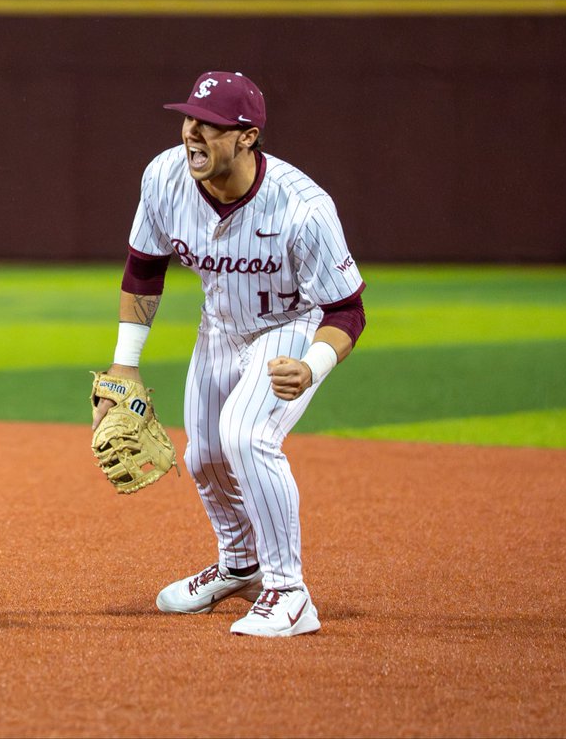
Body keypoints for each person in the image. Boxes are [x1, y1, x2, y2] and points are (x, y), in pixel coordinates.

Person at [92, 71, 366, 637]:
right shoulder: (165, 176)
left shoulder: (303, 208)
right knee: (206, 455)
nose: (192, 133)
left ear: (246, 136)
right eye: (189, 118)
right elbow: (144, 270)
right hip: (219, 328)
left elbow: (347, 310)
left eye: (209, 125)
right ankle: (241, 564)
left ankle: (290, 593)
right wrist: (125, 364)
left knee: (247, 436)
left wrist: (312, 365)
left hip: (290, 326)